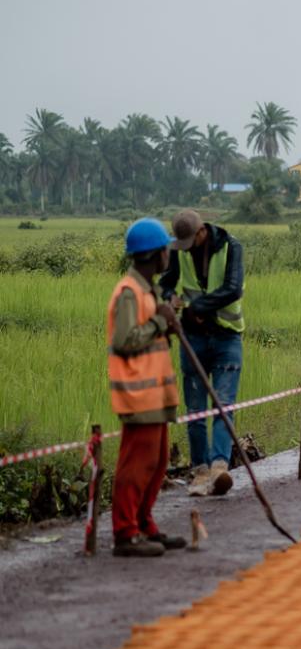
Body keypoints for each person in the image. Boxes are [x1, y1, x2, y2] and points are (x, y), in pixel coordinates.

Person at [106, 219, 185, 557]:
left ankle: (144, 525)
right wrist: (159, 321)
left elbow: (149, 336)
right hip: (140, 396)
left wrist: (166, 322)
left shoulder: (148, 290)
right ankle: (126, 533)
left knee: (156, 464)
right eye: (166, 249)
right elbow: (125, 341)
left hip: (157, 395)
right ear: (154, 255)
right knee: (136, 466)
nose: (170, 254)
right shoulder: (129, 292)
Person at [161, 209, 244, 498]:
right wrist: (167, 298)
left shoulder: (232, 248)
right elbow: (166, 282)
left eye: (190, 241)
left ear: (202, 232)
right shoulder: (179, 252)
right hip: (192, 339)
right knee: (196, 410)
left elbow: (233, 289)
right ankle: (200, 471)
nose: (186, 248)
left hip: (226, 337)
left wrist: (199, 307)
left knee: (223, 404)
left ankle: (220, 467)